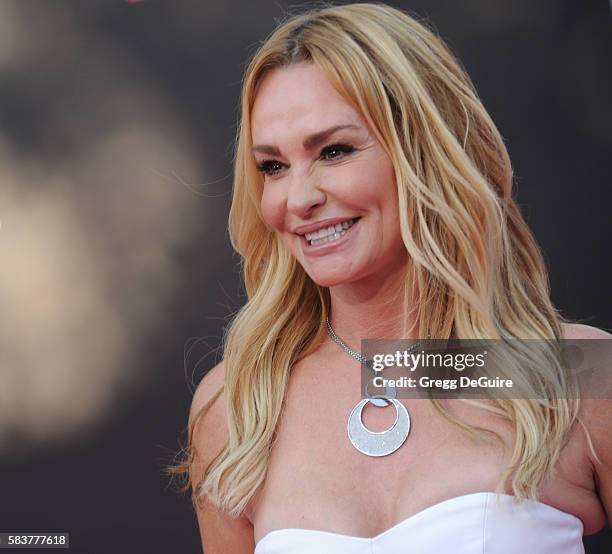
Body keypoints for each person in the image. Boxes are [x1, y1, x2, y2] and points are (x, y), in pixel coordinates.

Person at [167, 3, 611, 553]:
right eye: (273, 167)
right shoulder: (240, 407)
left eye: (334, 151)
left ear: (423, 152)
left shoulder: (582, 380)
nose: (298, 198)